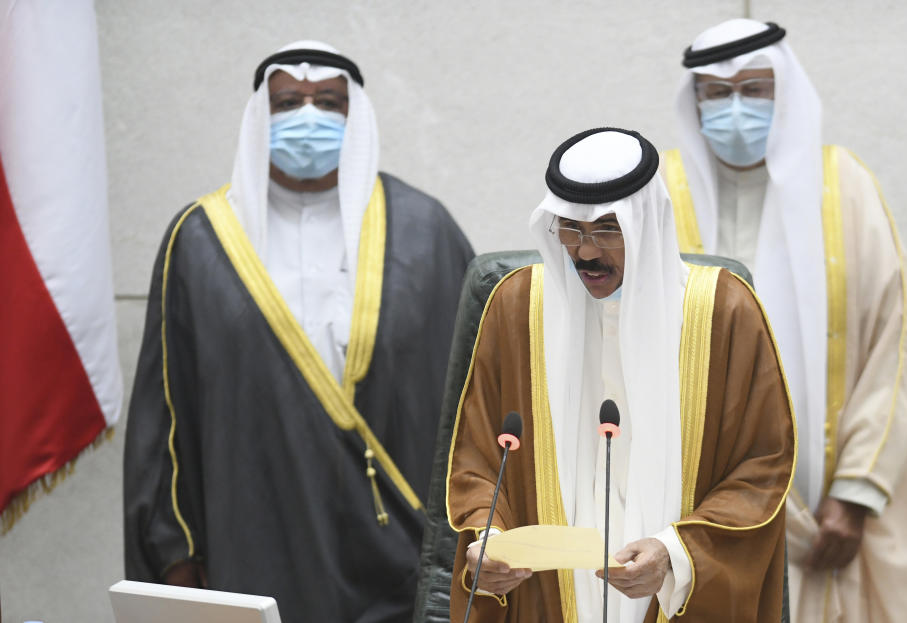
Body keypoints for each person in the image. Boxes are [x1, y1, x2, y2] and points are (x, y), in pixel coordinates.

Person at [123, 41, 474, 622]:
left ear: (353, 114)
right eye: (288, 102)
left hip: (400, 547)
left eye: (328, 102)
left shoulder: (423, 229)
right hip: (255, 536)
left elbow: (477, 396)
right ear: (261, 114)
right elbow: (164, 412)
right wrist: (174, 553)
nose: (307, 117)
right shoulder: (203, 238)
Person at [446, 127, 796, 623]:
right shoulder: (517, 305)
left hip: (669, 596)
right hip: (547, 594)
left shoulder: (723, 310)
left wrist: (675, 554)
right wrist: (490, 537)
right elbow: (480, 456)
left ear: (646, 223)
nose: (585, 253)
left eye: (608, 230)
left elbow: (763, 466)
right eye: (569, 228)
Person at [662, 19, 907, 622]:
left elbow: (896, 344)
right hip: (689, 503)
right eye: (715, 93)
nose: (735, 108)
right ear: (695, 100)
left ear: (785, 91)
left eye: (755, 90)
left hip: (827, 508)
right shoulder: (661, 195)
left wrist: (857, 491)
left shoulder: (846, 187)